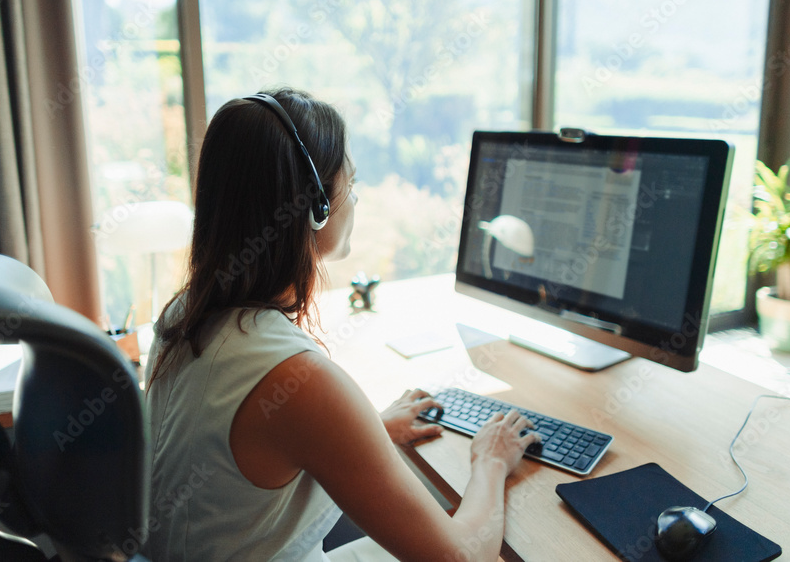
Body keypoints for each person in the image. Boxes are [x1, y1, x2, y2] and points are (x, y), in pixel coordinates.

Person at [143, 88, 538, 561]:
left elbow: (249, 452)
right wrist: (491, 463)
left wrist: (367, 430)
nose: (354, 198)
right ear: (315, 209)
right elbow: (462, 556)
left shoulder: (182, 315)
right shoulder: (297, 380)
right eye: (349, 184)